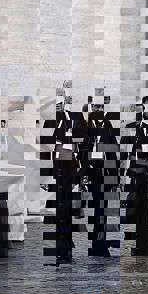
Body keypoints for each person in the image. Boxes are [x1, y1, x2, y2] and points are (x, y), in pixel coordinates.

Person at [43, 90, 85, 264]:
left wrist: (82, 172)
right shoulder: (52, 120)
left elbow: (83, 142)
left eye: (64, 101)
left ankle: (67, 246)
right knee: (61, 210)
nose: (61, 104)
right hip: (59, 169)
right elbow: (45, 146)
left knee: (68, 210)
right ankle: (62, 248)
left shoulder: (77, 118)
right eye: (57, 103)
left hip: (72, 169)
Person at [86, 93, 120, 257]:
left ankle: (99, 245)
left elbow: (113, 152)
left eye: (100, 107)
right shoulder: (85, 125)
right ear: (91, 107)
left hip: (105, 172)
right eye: (95, 106)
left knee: (102, 209)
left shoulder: (108, 125)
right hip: (92, 172)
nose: (98, 109)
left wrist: (115, 178)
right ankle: (97, 245)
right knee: (97, 209)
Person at [123, 97, 148, 256]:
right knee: (138, 207)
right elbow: (125, 152)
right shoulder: (130, 128)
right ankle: (141, 243)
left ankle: (146, 243)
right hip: (135, 173)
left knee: (147, 208)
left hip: (147, 173)